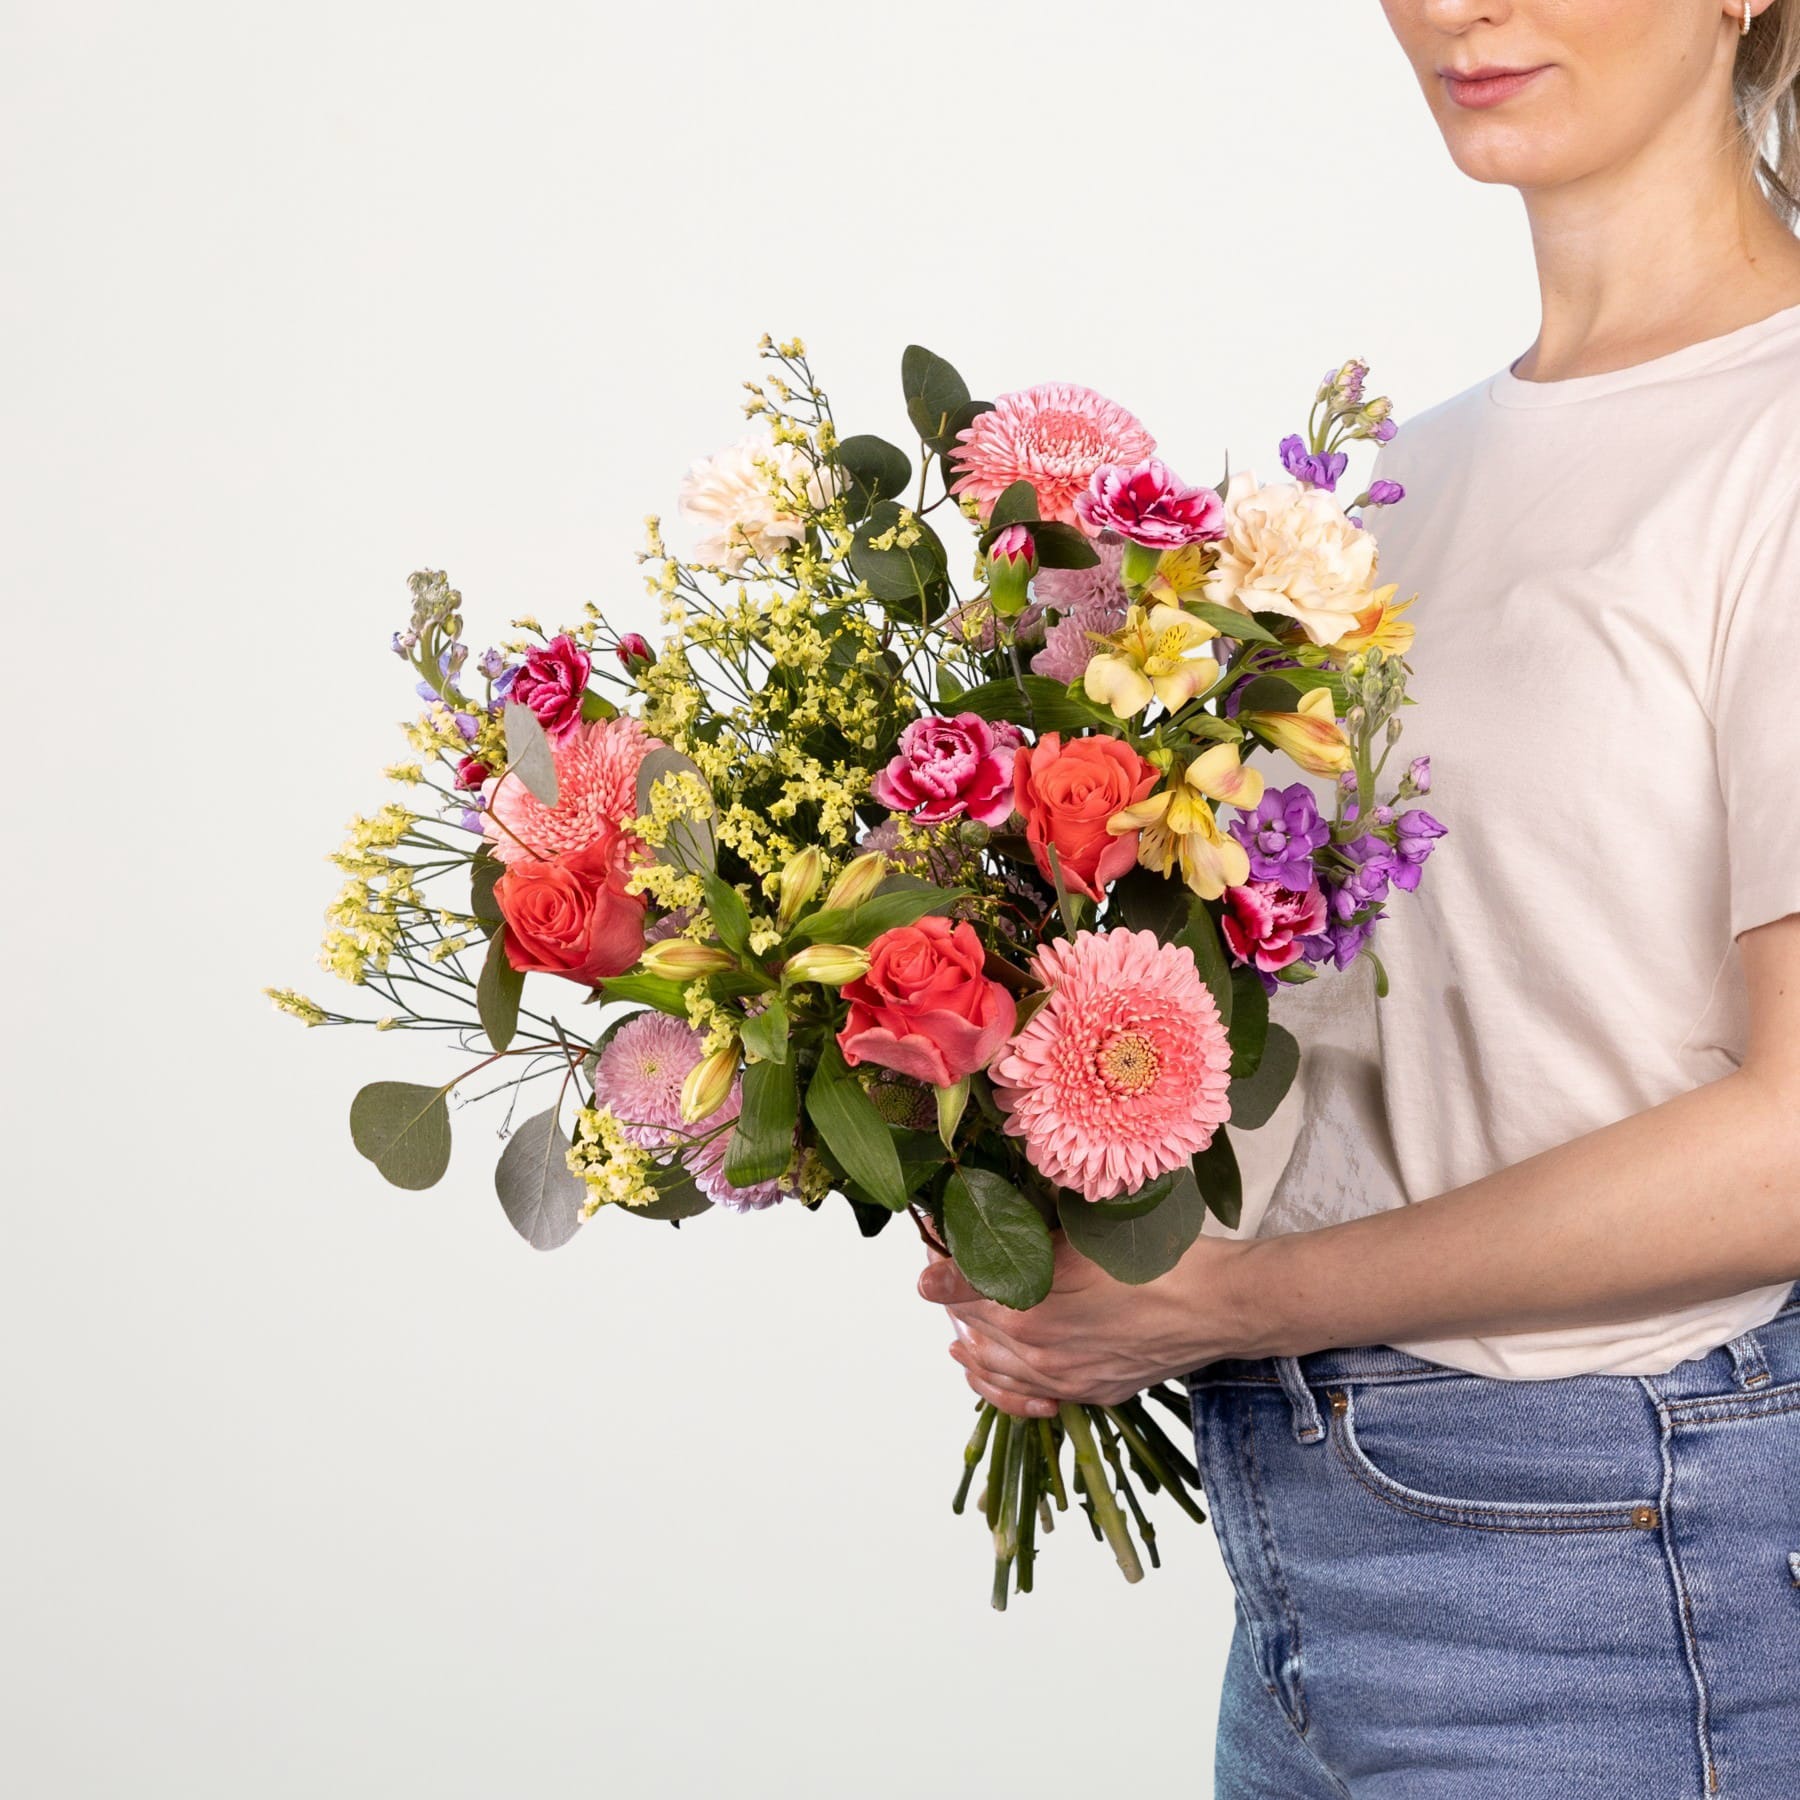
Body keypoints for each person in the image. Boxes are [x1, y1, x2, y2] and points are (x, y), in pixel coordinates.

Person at [917, 3, 1800, 1793]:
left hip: (1614, 1578)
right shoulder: (1387, 499)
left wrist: (1234, 1301)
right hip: (1308, 1560)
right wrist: (1059, 1231)